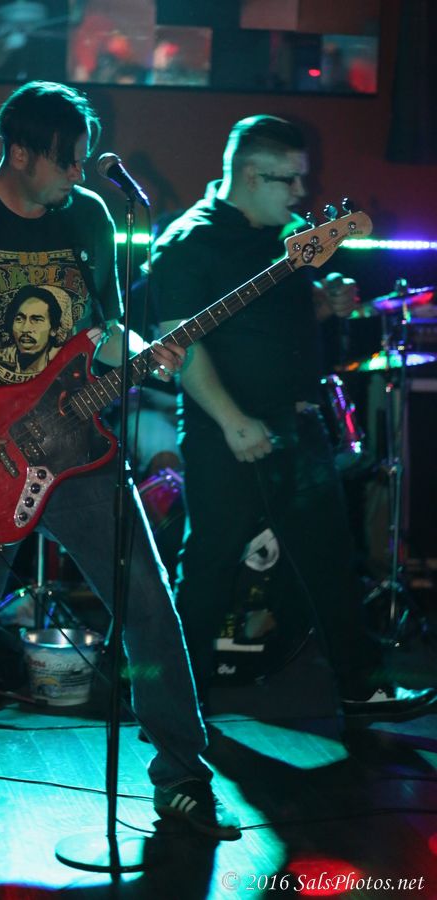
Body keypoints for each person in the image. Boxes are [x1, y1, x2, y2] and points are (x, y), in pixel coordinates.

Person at [0, 81, 240, 840]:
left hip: (83, 455)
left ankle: (184, 775)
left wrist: (145, 352)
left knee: (148, 602)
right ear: (20, 153)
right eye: (66, 161)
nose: (78, 173)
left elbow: (106, 331)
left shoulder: (93, 217)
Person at [151, 114, 435, 716]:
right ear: (253, 176)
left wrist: (328, 302)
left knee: (330, 560)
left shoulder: (283, 235)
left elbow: (283, 318)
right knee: (209, 568)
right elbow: (180, 344)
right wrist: (232, 420)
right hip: (224, 433)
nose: (303, 192)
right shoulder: (188, 241)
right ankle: (174, 709)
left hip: (297, 423)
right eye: (291, 179)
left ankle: (362, 688)